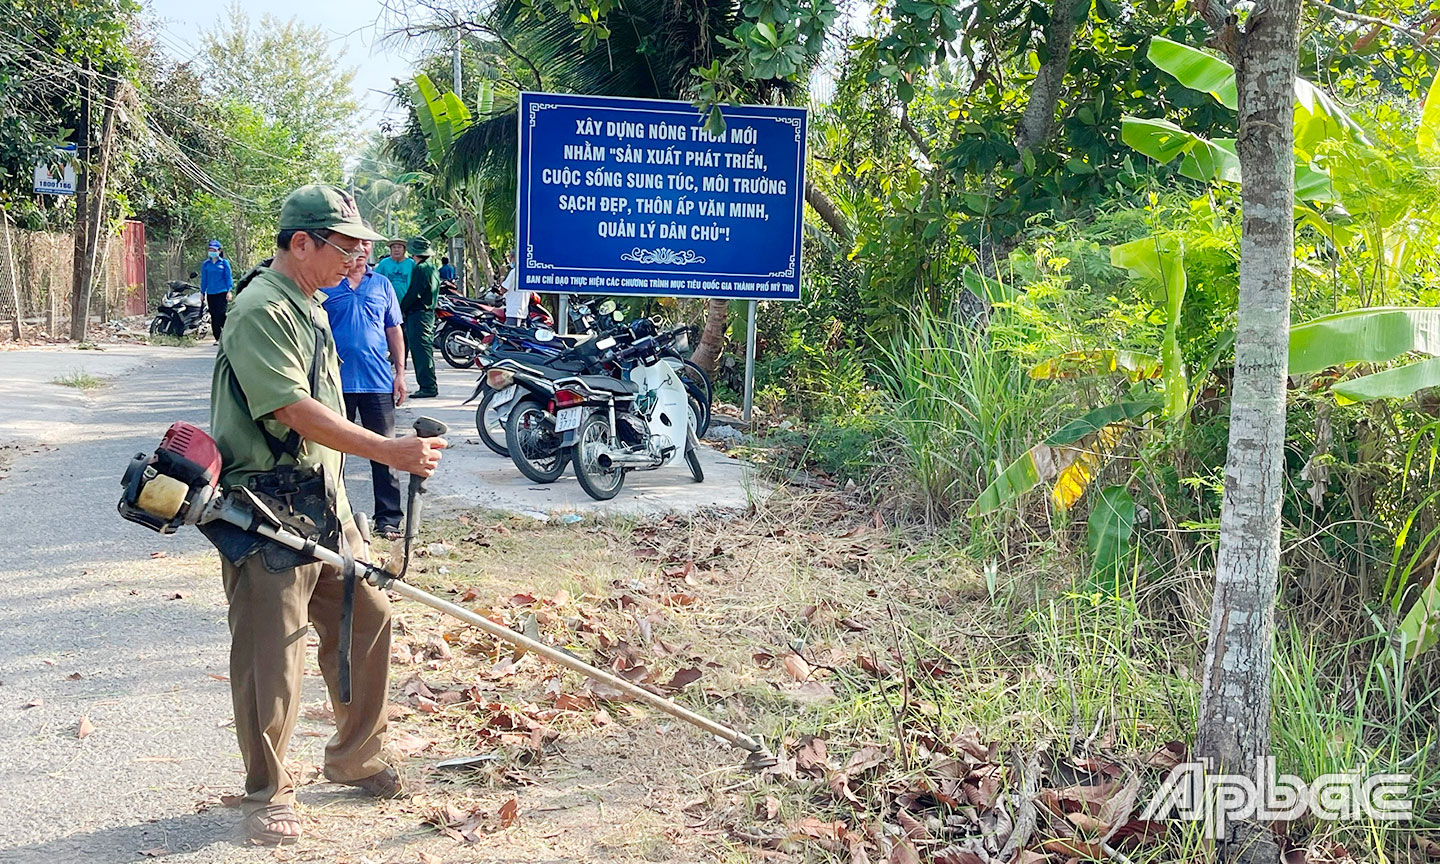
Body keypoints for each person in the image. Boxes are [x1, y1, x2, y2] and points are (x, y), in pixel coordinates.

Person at [207, 184, 446, 846]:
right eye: (347, 246)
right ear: (302, 243)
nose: (359, 258)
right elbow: (290, 408)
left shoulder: (309, 303)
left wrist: (351, 487)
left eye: (364, 246)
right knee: (271, 655)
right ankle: (268, 793)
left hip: (323, 500)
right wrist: (388, 450)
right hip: (264, 508)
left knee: (366, 617)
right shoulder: (260, 308)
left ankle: (355, 756)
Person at [322, 238, 407, 539]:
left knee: (385, 452)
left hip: (377, 382)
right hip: (334, 383)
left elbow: (393, 329)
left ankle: (389, 520)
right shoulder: (327, 283)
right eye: (355, 244)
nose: (361, 249)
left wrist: (400, 372)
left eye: (367, 244)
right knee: (333, 454)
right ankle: (333, 520)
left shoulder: (382, 284)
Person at [400, 236, 439, 399]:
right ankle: (428, 384)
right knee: (425, 349)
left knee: (420, 351)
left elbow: (413, 293)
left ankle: (427, 386)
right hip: (427, 313)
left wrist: (401, 308)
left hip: (418, 314)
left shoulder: (421, 268)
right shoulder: (432, 267)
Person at [200, 240, 233, 342]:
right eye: (210, 249)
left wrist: (229, 291)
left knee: (221, 313)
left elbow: (228, 278)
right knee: (213, 315)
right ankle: (217, 338)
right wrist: (202, 292)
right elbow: (204, 279)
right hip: (211, 293)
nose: (211, 251)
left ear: (219, 251)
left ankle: (229, 332)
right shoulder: (206, 264)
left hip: (222, 292)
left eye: (214, 249)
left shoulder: (224, 263)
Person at [374, 239, 413, 305]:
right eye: (394, 247)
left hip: (408, 304)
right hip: (388, 302)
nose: (396, 250)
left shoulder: (411, 264)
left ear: (404, 250)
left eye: (399, 247)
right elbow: (376, 281)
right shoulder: (383, 263)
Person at [501, 248, 532, 326]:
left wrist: (502, 275)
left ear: (514, 258)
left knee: (511, 335)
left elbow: (503, 289)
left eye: (510, 258)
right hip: (523, 312)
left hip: (513, 312)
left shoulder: (514, 272)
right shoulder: (527, 272)